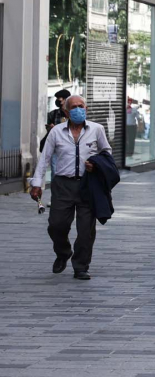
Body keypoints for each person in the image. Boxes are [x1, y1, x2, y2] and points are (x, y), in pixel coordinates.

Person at [29, 95, 111, 280]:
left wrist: (96, 165)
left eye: (81, 106)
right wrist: (36, 184)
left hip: (88, 185)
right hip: (63, 185)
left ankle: (81, 266)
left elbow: (107, 153)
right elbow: (45, 159)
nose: (78, 110)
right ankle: (63, 252)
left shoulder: (97, 130)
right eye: (73, 107)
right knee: (56, 225)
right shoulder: (56, 132)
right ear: (66, 111)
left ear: (86, 108)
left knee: (85, 230)